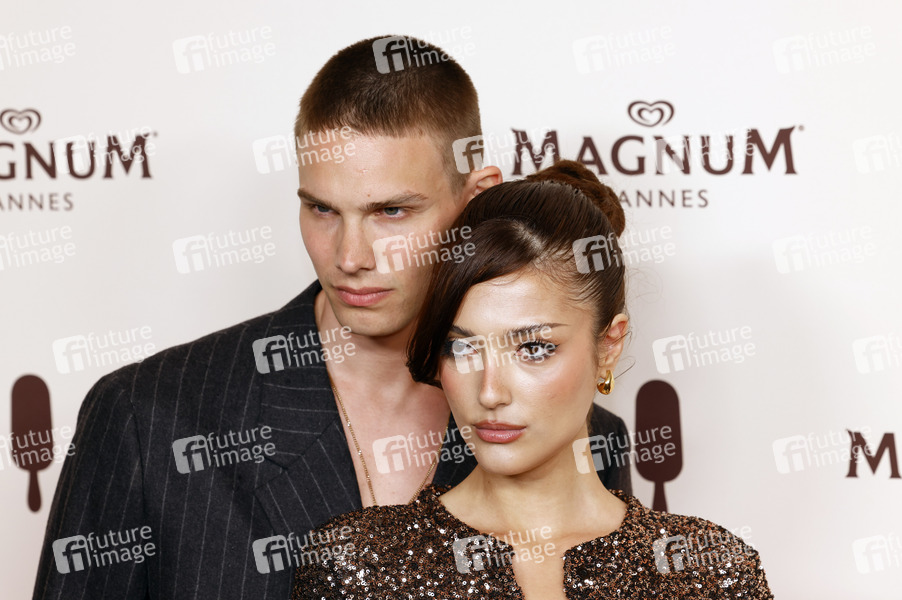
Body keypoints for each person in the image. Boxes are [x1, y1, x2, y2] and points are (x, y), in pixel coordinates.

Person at [32, 38, 631, 600]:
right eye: (322, 209)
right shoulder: (148, 415)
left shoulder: (579, 435)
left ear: (475, 197)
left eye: (391, 211)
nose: (349, 257)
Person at [291, 160, 773, 599]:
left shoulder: (709, 570)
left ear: (608, 346)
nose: (490, 393)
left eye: (533, 349)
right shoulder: (355, 566)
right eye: (462, 347)